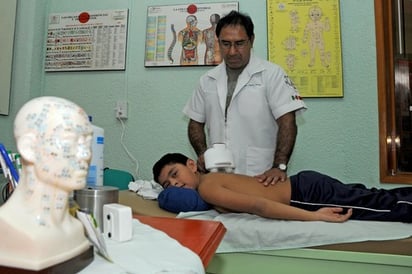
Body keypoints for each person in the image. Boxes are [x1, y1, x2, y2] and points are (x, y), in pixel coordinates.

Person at [183, 10, 307, 185]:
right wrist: (203, 153)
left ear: (251, 40)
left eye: (239, 43)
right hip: (218, 175)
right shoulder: (207, 80)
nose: (232, 51)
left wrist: (279, 166)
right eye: (225, 44)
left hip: (261, 175)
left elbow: (287, 120)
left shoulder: (271, 74)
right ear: (218, 42)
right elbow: (195, 122)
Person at [152, 153, 412, 223]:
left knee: (384, 207)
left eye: (175, 174)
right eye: (168, 184)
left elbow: (260, 205)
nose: (175, 184)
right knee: (376, 198)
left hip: (306, 195)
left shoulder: (208, 187)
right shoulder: (212, 181)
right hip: (306, 184)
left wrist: (315, 216)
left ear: (191, 164)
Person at [0, 96, 92, 270]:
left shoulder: (75, 228)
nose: (86, 154)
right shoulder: (12, 229)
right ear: (29, 148)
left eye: (87, 143)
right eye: (69, 141)